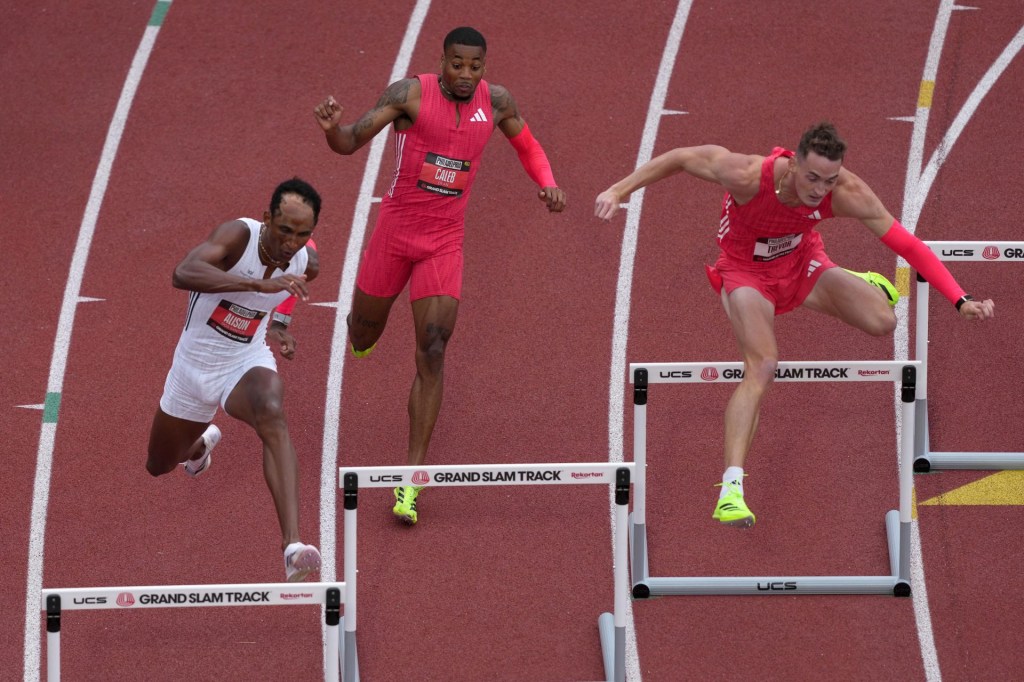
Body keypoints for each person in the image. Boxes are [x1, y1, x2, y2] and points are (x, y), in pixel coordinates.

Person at [595, 122, 995, 527]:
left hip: (802, 265)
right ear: (793, 166)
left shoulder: (846, 192)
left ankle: (864, 284)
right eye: (813, 178)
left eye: (830, 180)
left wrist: (960, 299)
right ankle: (731, 488)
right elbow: (679, 158)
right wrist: (617, 191)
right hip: (744, 274)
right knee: (763, 365)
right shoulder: (749, 175)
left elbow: (908, 244)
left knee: (882, 322)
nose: (821, 189)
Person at [313, 26, 567, 525]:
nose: (466, 74)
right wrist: (331, 129)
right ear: (442, 60)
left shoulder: (496, 103)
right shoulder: (408, 94)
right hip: (394, 237)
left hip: (443, 244)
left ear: (484, 66)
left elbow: (529, 146)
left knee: (433, 347)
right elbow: (350, 142)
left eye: (475, 66)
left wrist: (548, 183)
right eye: (457, 64)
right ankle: (361, 333)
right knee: (363, 333)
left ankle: (411, 482)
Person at [146, 177, 324, 581]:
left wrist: (279, 325)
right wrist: (255, 284)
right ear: (266, 220)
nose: (291, 242)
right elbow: (183, 271)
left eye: (302, 234)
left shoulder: (305, 263)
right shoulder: (238, 235)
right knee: (158, 464)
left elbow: (290, 289)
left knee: (271, 409)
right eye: (284, 230)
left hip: (244, 360)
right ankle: (197, 449)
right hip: (192, 368)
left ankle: (292, 546)